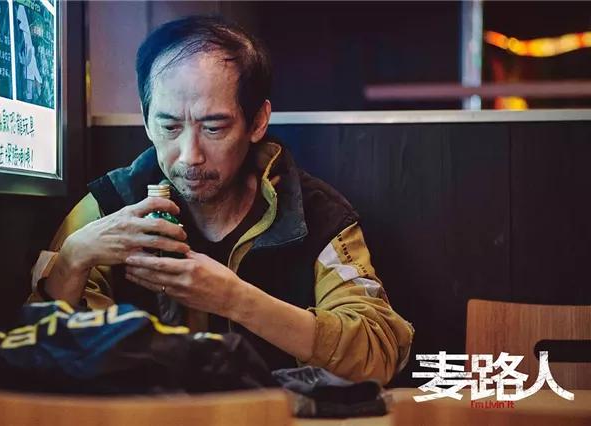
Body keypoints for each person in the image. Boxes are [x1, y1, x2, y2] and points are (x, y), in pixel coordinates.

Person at [28, 16, 413, 384]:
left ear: (257, 121)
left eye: (213, 127)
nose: (190, 155)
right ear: (146, 120)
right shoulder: (106, 207)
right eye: (169, 126)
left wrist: (236, 300)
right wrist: (72, 260)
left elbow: (377, 351)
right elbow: (30, 355)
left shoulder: (315, 216)